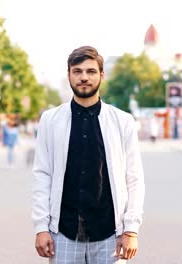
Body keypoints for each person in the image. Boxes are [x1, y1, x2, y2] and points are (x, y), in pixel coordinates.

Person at [32, 46, 145, 263]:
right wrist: (41, 227)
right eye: (77, 71)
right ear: (69, 75)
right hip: (63, 232)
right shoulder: (50, 120)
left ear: (102, 75)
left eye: (91, 71)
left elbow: (134, 178)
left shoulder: (122, 121)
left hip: (110, 234)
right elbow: (42, 175)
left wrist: (131, 229)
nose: (84, 77)